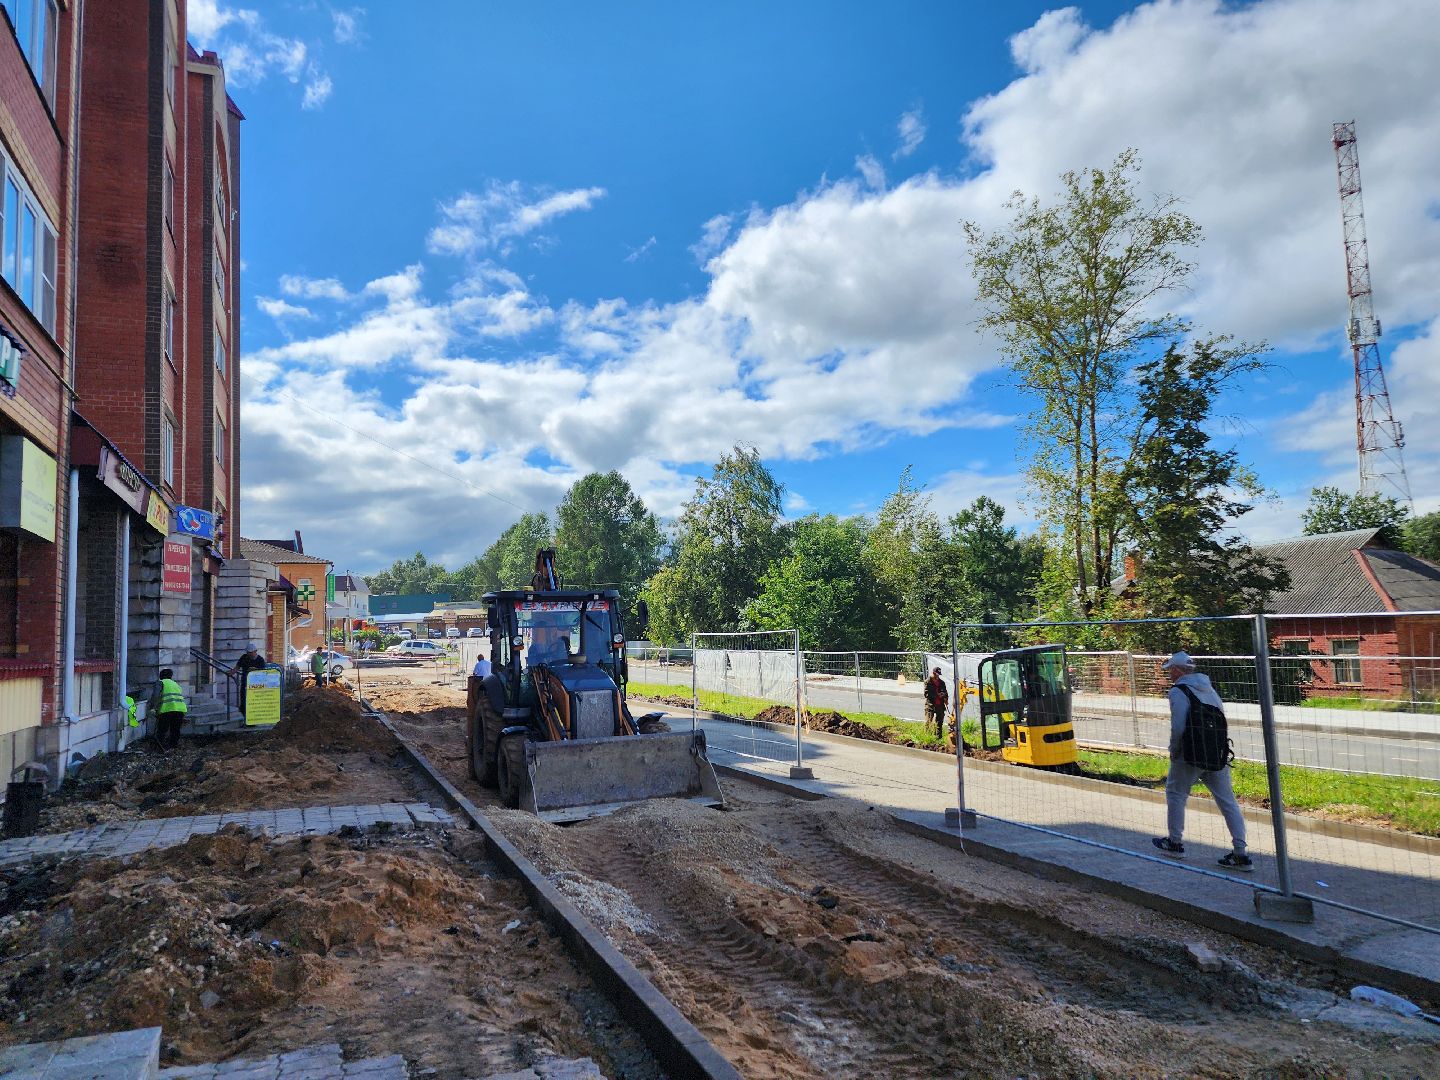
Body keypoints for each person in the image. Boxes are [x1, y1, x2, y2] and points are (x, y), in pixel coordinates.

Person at [1153, 651, 1252, 871]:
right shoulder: (1209, 689)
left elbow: (1178, 726)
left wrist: (1174, 750)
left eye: (1170, 670)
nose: (1169, 674)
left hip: (1190, 754)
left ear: (1178, 670)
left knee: (1176, 793)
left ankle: (1175, 843)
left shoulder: (1179, 691)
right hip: (1216, 753)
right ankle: (1241, 853)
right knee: (1227, 801)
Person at [154, 668, 187, 751]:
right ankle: (173, 746)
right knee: (175, 730)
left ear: (161, 676)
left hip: (167, 710)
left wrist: (152, 708)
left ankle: (160, 747)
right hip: (180, 710)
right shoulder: (176, 684)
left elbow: (155, 696)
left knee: (162, 729)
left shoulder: (160, 683)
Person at [924, 667, 949, 739]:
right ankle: (927, 737)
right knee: (928, 721)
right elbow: (926, 694)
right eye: (936, 674)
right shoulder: (928, 682)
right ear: (933, 673)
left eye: (938, 675)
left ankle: (938, 737)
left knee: (939, 722)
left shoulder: (942, 683)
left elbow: (945, 692)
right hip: (930, 705)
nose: (937, 676)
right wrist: (937, 695)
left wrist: (945, 697)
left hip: (940, 705)